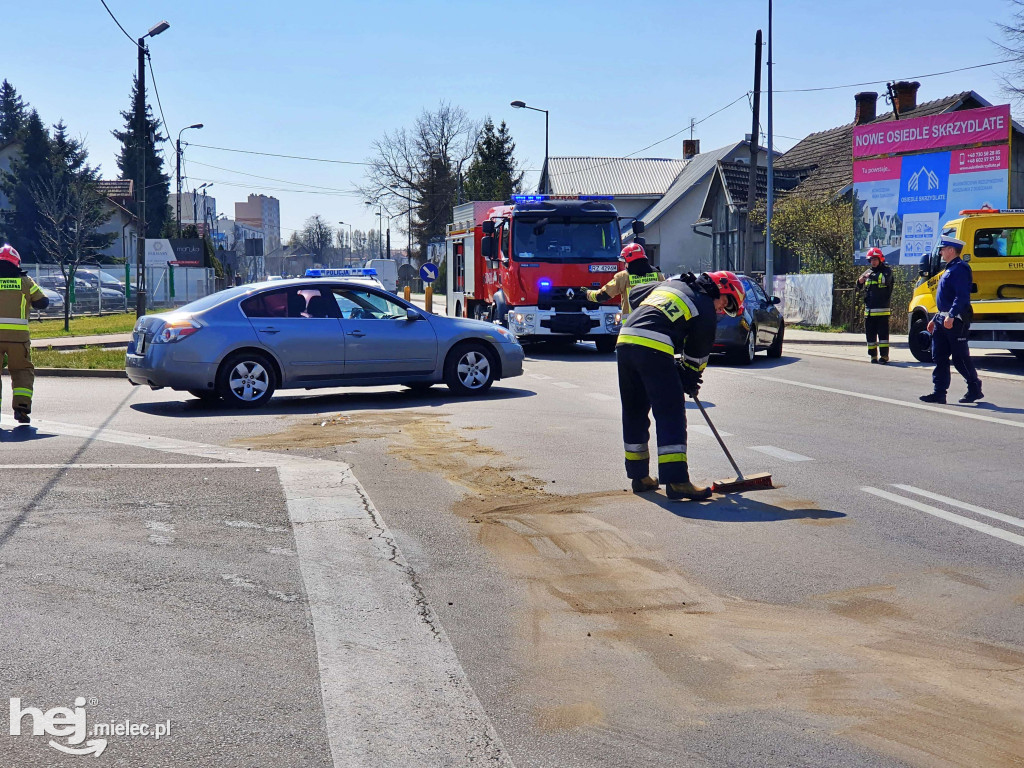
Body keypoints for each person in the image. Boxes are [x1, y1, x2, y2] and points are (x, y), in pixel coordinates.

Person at [615, 270, 745, 500]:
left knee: (634, 410)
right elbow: (697, 353)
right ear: (720, 289)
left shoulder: (674, 285)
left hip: (625, 342)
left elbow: (635, 294)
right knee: (671, 412)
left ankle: (640, 477)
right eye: (725, 302)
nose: (721, 310)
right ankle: (676, 481)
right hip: (653, 346)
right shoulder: (703, 305)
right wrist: (689, 379)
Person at [920, 235, 983, 404]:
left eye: (943, 249)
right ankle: (939, 392)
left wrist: (952, 315)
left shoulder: (960, 268)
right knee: (939, 356)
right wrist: (936, 318)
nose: (940, 252)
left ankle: (974, 387)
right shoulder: (949, 268)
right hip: (943, 319)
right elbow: (945, 299)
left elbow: (961, 296)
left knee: (960, 358)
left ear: (951, 250)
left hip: (955, 320)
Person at [0, 244, 49, 425]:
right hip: (18, 340)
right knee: (21, 371)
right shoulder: (26, 281)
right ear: (16, 262)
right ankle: (21, 408)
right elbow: (42, 302)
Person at [580, 243, 664, 316]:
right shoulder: (658, 275)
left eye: (625, 262)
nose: (625, 265)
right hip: (653, 321)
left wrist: (588, 293)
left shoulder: (623, 277)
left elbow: (602, 296)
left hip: (632, 324)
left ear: (628, 261)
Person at [857, 247, 894, 364]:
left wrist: (869, 276)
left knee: (883, 336)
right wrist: (860, 281)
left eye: (875, 259)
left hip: (882, 311)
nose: (873, 261)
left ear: (880, 259)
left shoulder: (887, 271)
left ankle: (884, 356)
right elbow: (858, 285)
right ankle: (873, 356)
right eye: (871, 259)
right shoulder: (868, 272)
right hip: (869, 311)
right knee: (870, 335)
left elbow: (883, 280)